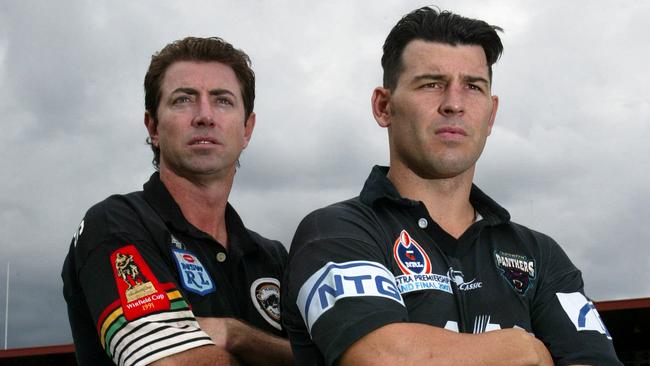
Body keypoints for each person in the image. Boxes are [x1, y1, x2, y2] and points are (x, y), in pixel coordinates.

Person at [282, 7, 621, 366]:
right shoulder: (334, 232)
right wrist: (526, 350)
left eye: (473, 87)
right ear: (384, 106)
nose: (454, 104)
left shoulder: (540, 254)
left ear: (491, 115)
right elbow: (383, 357)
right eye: (432, 84)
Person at [62, 37, 292, 366]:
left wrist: (235, 334)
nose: (204, 116)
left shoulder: (273, 258)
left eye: (223, 101)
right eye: (183, 100)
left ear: (247, 129)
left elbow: (329, 357)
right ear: (153, 127)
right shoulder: (116, 224)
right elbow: (171, 363)